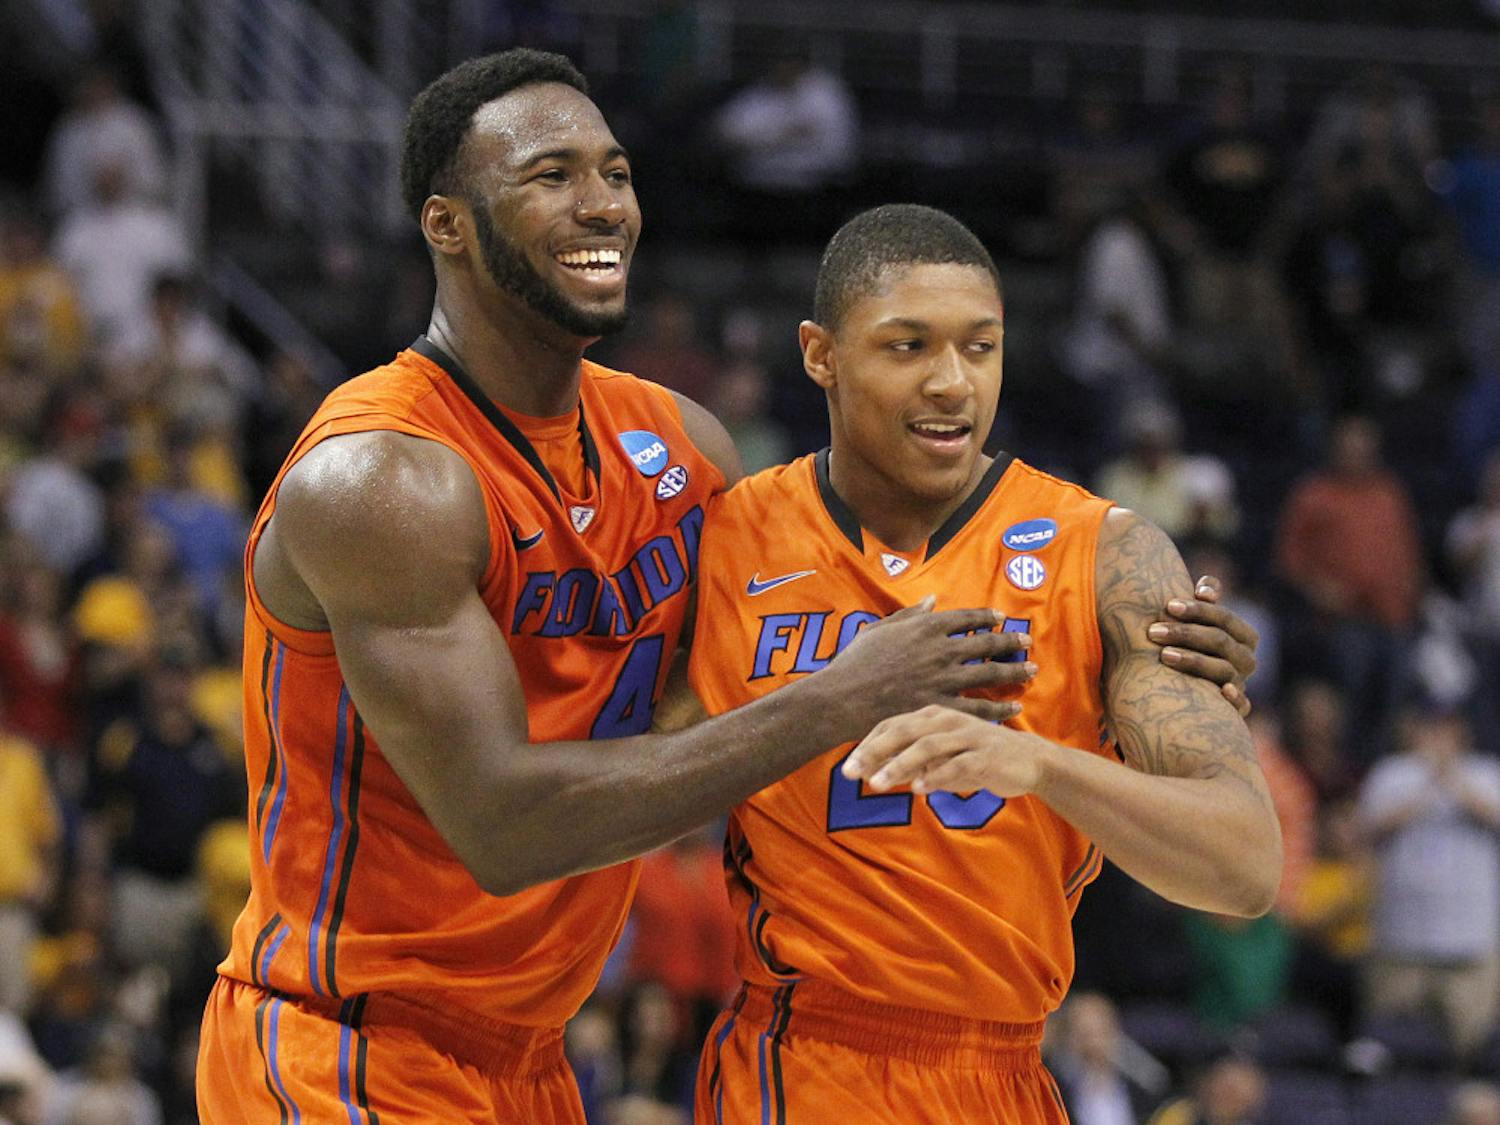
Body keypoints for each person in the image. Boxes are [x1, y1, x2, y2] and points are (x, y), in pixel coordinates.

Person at [194, 51, 1258, 1124]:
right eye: (550, 175)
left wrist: (1153, 658)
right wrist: (847, 693)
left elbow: (793, 626)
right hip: (346, 1037)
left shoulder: (683, 452)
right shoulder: (384, 479)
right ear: (447, 225)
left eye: (613, 170)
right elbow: (505, 829)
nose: (600, 202)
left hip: (535, 1058)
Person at [684, 205, 1280, 1123]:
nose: (952, 383)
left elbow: (1244, 864)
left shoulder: (1106, 555)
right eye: (908, 346)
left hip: (1002, 1068)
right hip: (800, 1058)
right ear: (820, 354)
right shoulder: (730, 538)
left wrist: (1042, 763)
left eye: (980, 347)